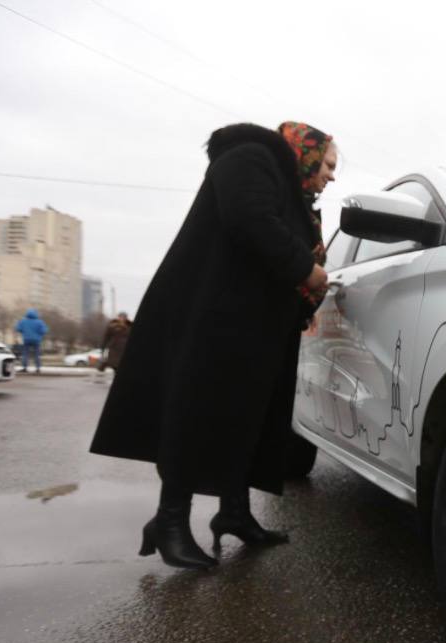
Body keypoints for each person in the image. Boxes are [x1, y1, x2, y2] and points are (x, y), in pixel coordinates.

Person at [91, 122, 336, 568]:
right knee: (197, 415)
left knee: (243, 420)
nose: (332, 176)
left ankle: (234, 513)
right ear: (306, 152)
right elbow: (248, 218)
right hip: (211, 319)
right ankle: (169, 522)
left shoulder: (292, 192)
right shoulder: (251, 157)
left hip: (246, 325)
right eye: (329, 164)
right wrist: (307, 269)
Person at [94, 312, 131, 383]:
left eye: (124, 317)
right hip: (114, 349)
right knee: (115, 365)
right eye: (121, 317)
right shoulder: (112, 326)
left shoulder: (129, 326)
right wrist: (102, 348)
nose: (122, 319)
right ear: (118, 317)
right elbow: (106, 337)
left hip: (124, 349)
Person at [14, 309, 48, 373]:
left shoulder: (23, 321)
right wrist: (39, 334)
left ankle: (24, 367)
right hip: (36, 340)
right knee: (36, 354)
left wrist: (24, 331)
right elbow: (44, 331)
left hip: (26, 339)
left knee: (25, 354)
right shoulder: (39, 322)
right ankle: (38, 368)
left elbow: (18, 329)